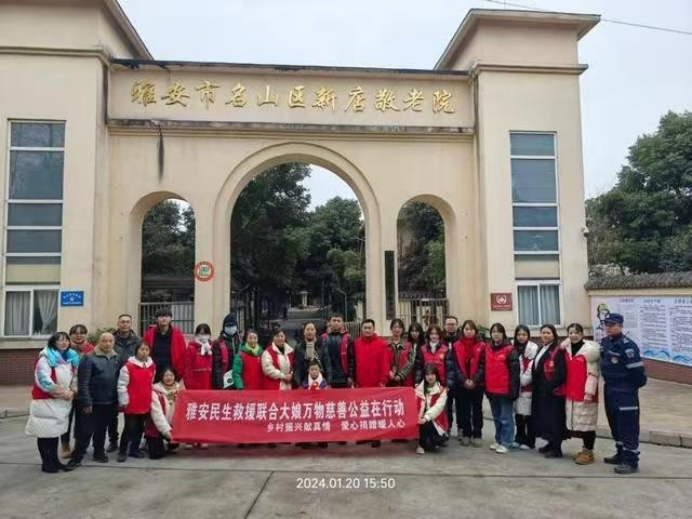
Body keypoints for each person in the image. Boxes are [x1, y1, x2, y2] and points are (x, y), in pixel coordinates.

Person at [600, 313, 647, 474]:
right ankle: (620, 454)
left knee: (628, 426)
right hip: (610, 389)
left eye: (612, 324)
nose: (608, 327)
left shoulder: (628, 345)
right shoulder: (606, 342)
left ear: (620, 326)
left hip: (625, 391)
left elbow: (638, 374)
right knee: (615, 423)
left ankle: (631, 461)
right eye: (606, 324)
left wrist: (629, 388)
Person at [26, 332, 78, 473]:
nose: (64, 343)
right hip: (45, 401)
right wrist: (63, 393)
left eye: (66, 340)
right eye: (60, 340)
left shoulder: (71, 357)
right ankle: (47, 463)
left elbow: (75, 377)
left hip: (62, 402)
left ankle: (55, 461)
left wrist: (72, 391)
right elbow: (43, 380)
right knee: (44, 433)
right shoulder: (45, 358)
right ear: (53, 342)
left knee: (55, 433)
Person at [67, 332, 121, 468]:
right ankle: (76, 457)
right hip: (92, 402)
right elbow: (83, 383)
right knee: (85, 431)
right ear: (98, 342)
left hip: (109, 401)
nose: (107, 344)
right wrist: (86, 401)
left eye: (110, 341)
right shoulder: (89, 358)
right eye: (104, 341)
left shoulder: (116, 357)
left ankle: (98, 452)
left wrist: (117, 400)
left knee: (101, 429)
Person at [563, 323, 600, 465]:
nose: (573, 335)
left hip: (585, 394)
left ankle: (589, 452)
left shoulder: (590, 351)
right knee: (578, 423)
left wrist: (589, 393)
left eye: (576, 333)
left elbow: (593, 373)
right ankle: (584, 450)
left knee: (587, 424)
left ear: (582, 334)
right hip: (571, 392)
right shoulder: (567, 349)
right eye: (570, 333)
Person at [532, 324, 568, 459]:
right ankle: (551, 443)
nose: (545, 335)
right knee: (545, 419)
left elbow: (561, 372)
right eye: (543, 332)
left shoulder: (558, 350)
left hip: (553, 391)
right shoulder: (542, 348)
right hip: (541, 390)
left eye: (548, 333)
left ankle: (557, 448)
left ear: (554, 335)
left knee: (555, 419)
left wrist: (551, 387)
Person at [117, 342, 156, 463]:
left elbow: (151, 382)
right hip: (132, 402)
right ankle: (122, 451)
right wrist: (123, 400)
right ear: (136, 351)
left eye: (146, 350)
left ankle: (134, 449)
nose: (144, 352)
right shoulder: (128, 366)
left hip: (145, 401)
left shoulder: (152, 365)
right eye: (141, 349)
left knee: (140, 428)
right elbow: (122, 385)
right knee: (129, 428)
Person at [449, 320, 486, 447]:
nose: (469, 331)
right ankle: (466, 433)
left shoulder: (482, 345)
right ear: (463, 330)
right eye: (466, 329)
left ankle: (477, 434)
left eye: (471, 329)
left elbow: (482, 365)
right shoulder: (456, 345)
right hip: (462, 383)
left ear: (475, 331)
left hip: (477, 384)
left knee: (477, 409)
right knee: (463, 409)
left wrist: (474, 380)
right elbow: (455, 366)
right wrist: (464, 380)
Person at [59, 324, 94, 457]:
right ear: (70, 335)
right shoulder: (64, 350)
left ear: (86, 334)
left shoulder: (91, 350)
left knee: (82, 421)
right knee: (66, 419)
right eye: (75, 333)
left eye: (81, 333)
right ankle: (65, 445)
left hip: (83, 391)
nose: (78, 335)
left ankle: (79, 446)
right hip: (67, 390)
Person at [485, 323, 520, 454]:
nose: (496, 334)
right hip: (491, 389)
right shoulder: (488, 349)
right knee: (496, 417)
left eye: (498, 332)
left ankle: (507, 442)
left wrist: (513, 390)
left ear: (503, 334)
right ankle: (499, 439)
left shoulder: (510, 350)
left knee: (506, 418)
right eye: (493, 332)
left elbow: (515, 373)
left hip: (505, 390)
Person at [353, 319, 389, 448]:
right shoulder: (356, 344)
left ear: (374, 329)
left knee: (376, 411)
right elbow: (354, 362)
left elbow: (385, 364)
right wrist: (355, 380)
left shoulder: (381, 344)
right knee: (363, 411)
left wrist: (383, 381)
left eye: (369, 328)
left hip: (376, 383)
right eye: (365, 328)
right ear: (361, 329)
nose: (367, 330)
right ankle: (364, 435)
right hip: (361, 383)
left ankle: (376, 436)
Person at [110, 314, 142, 452]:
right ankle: (113, 440)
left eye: (127, 322)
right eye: (122, 322)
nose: (124, 324)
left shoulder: (138, 340)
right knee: (112, 414)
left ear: (131, 324)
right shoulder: (111, 339)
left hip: (131, 381)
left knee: (131, 413)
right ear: (118, 323)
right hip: (112, 379)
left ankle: (131, 442)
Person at [145, 366, 181, 459]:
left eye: (171, 375)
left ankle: (165, 443)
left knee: (174, 445)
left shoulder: (179, 389)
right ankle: (147, 442)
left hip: (171, 425)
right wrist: (166, 432)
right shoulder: (155, 391)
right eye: (166, 375)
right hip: (157, 426)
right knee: (156, 455)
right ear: (161, 376)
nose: (169, 378)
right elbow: (157, 415)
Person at [143, 307, 187, 383]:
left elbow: (183, 354)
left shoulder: (177, 334)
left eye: (166, 316)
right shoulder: (149, 334)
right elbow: (144, 352)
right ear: (156, 319)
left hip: (171, 373)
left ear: (170, 319)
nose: (164, 319)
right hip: (153, 372)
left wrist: (179, 373)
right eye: (160, 316)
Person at [513, 324, 539, 451]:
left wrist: (522, 380)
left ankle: (530, 441)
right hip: (516, 388)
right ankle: (519, 438)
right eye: (519, 334)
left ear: (528, 336)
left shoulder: (533, 349)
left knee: (529, 417)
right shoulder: (513, 348)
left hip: (528, 387)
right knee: (518, 415)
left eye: (524, 334)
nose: (521, 337)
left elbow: (531, 369)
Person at [415, 364, 448, 455]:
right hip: (420, 419)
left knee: (435, 440)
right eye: (427, 374)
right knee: (422, 423)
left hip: (435, 420)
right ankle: (421, 445)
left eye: (432, 374)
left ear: (436, 375)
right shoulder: (418, 389)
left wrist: (426, 417)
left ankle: (433, 440)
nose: (430, 377)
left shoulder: (442, 390)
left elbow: (438, 407)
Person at [184, 323, 227, 390]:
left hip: (211, 386)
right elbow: (187, 370)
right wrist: (190, 386)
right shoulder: (191, 348)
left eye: (206, 333)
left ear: (209, 335)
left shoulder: (213, 348)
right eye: (201, 333)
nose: (204, 336)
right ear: (196, 335)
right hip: (196, 387)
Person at [300, 360, 329, 449]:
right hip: (308, 408)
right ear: (308, 370)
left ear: (319, 370)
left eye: (316, 369)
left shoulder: (324, 383)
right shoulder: (305, 383)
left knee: (321, 423)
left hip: (320, 407)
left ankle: (322, 440)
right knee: (307, 423)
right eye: (312, 369)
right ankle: (307, 440)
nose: (314, 371)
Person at [321, 313, 355, 389]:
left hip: (343, 377)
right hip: (327, 377)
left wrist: (351, 376)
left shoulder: (348, 338)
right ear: (329, 322)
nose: (336, 323)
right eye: (334, 320)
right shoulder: (323, 337)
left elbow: (352, 359)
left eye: (339, 321)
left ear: (343, 323)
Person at [414, 324, 451, 388]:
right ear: (428, 335)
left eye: (436, 334)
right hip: (426, 384)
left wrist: (448, 384)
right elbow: (418, 368)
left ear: (439, 335)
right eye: (431, 334)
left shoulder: (446, 349)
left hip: (442, 385)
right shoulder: (422, 349)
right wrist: (417, 382)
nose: (434, 336)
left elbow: (450, 370)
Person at [442, 316, 461, 435]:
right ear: (444, 326)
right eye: (448, 324)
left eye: (453, 324)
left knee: (461, 405)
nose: (451, 326)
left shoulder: (461, 339)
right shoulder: (440, 340)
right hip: (446, 378)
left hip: (459, 378)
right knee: (446, 405)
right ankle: (447, 427)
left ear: (457, 325)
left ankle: (461, 428)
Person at [293, 322, 325, 388]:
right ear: (304, 332)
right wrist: (299, 384)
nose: (310, 331)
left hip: (321, 380)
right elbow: (297, 367)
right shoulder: (299, 347)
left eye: (312, 329)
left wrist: (329, 381)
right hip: (304, 381)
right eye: (307, 329)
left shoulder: (322, 345)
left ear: (315, 331)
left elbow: (327, 363)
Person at [386, 318, 416, 387]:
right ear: (391, 329)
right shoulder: (385, 345)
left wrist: (401, 375)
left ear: (402, 329)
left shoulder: (408, 345)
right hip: (389, 381)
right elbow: (382, 361)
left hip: (405, 381)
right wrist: (388, 372)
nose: (397, 329)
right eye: (395, 327)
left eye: (399, 327)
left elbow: (411, 362)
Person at [213, 313, 239, 389]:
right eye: (228, 326)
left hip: (238, 379)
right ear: (224, 327)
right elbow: (216, 366)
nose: (231, 328)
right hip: (224, 379)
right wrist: (219, 385)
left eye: (233, 325)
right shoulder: (218, 343)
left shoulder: (240, 341)